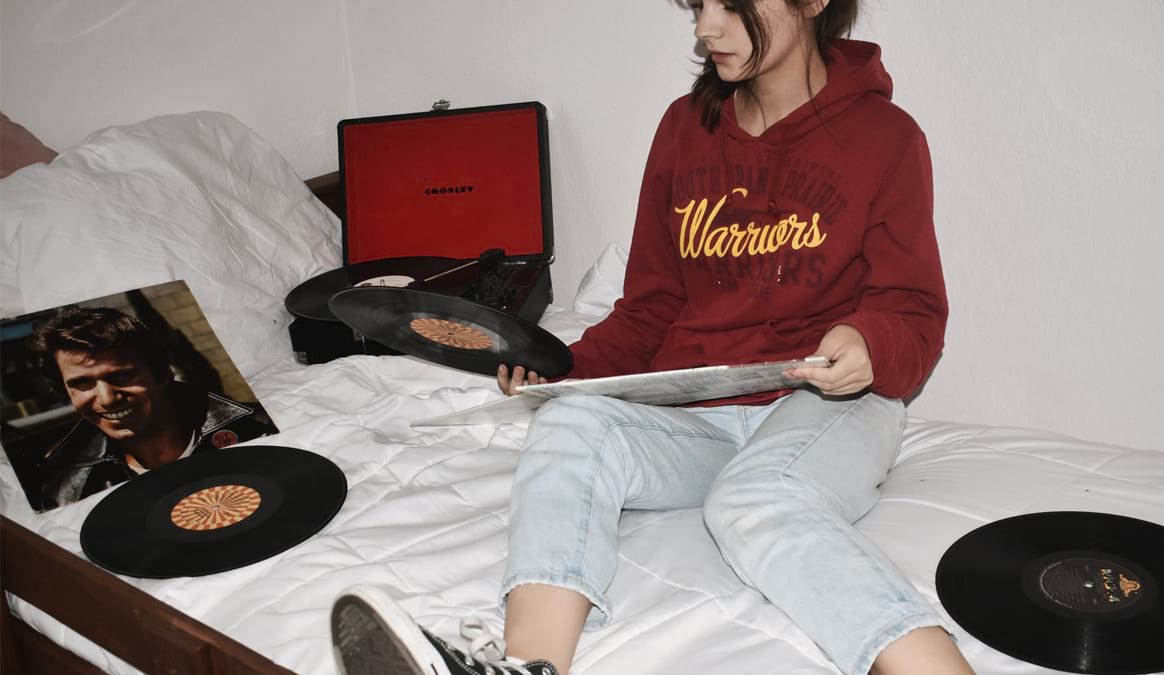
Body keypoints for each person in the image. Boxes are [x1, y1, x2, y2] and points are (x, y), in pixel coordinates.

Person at [332, 1, 975, 674]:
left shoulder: (885, 138)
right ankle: (526, 666)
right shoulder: (685, 127)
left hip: (825, 403)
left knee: (757, 498)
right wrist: (563, 369)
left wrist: (870, 341)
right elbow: (651, 305)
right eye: (698, 5)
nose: (705, 28)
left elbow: (914, 311)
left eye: (731, 4)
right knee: (569, 423)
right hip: (697, 410)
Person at [32, 305, 276, 509]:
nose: (107, 399)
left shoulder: (261, 428)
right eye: (82, 383)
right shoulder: (66, 493)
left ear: (161, 375)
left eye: (121, 376)